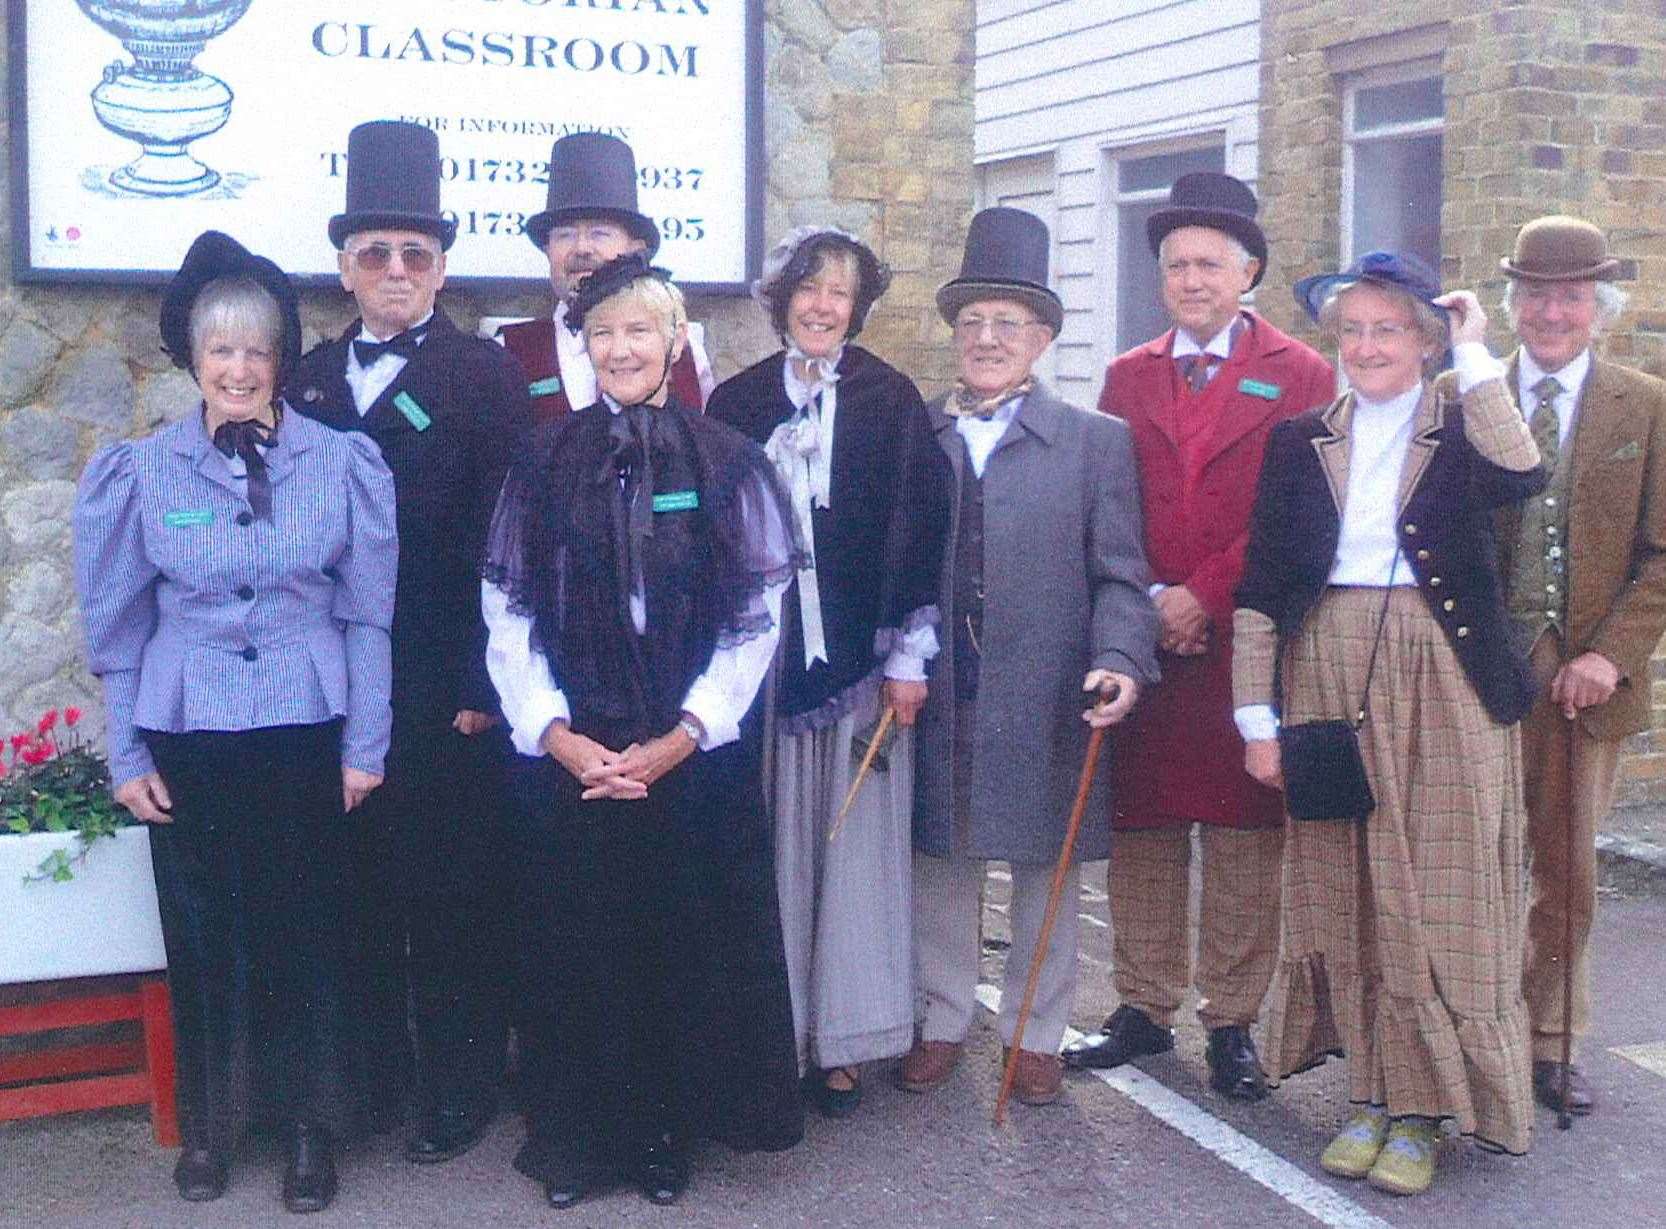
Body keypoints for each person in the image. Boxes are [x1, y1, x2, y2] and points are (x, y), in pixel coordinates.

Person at [73, 230, 397, 1213]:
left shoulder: (343, 464)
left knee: (308, 930)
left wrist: (365, 743)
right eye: (222, 351)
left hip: (305, 726)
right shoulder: (141, 471)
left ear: (279, 360)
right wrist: (126, 750)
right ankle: (214, 1122)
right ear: (194, 361)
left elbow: (366, 613)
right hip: (193, 730)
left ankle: (308, 1126)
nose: (241, 368)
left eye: (257, 350)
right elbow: (120, 624)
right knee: (209, 933)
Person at [482, 253, 804, 1209]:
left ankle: (664, 1133)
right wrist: (556, 735)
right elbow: (505, 610)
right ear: (584, 348)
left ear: (673, 343)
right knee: (576, 945)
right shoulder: (541, 462)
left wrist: (686, 734)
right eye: (603, 333)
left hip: (685, 755)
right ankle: (578, 1138)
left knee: (677, 941)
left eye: (639, 330)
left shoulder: (727, 459)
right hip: (577, 753)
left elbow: (759, 613)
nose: (621, 348)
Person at [1233, 251, 1542, 1195]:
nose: (1368, 346)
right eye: (1354, 329)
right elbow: (1261, 586)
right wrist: (1257, 717)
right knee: (1348, 886)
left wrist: (1480, 355)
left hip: (1443, 672)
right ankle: (1371, 1094)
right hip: (1324, 660)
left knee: (1443, 891)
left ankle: (1427, 1111)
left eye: (1390, 329)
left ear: (1426, 340)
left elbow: (1523, 469)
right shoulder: (1300, 440)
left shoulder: (1462, 425)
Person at [286, 120, 531, 1161]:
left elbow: (511, 533)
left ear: (443, 265)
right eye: (375, 252)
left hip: (442, 683)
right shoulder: (302, 380)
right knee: (357, 888)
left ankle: (458, 1086)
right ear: (345, 265)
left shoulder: (482, 374)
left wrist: (484, 674)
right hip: (330, 683)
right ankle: (376, 1080)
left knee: (449, 892)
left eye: (415, 254)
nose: (394, 270)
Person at [1067, 173, 1334, 1099]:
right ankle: (1142, 1006)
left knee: (1241, 836)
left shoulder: (1302, 372)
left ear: (1248, 270)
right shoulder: (1126, 375)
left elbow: (1303, 510)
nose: (1190, 278)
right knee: (1144, 830)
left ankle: (1231, 1021)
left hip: (1243, 637)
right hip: (1146, 641)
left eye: (1209, 262)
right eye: (1175, 262)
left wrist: (1203, 595)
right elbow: (1109, 502)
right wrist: (1147, 599)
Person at [898, 207, 1160, 1108]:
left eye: (1008, 323)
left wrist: (1121, 656)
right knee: (939, 858)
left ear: (1043, 337)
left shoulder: (1096, 442)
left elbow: (1123, 576)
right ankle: (938, 1020)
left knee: (1047, 865)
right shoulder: (917, 433)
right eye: (971, 322)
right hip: (938, 686)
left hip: (1048, 688)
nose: (987, 338)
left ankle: (1034, 1034)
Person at [708, 226, 951, 1117]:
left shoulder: (891, 402)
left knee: (849, 854)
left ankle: (842, 1042)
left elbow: (919, 530)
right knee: (770, 848)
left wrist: (906, 658)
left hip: (856, 667)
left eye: (840, 294)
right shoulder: (733, 403)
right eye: (808, 290)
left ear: (859, 308)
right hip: (762, 673)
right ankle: (776, 1031)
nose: (822, 307)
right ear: (782, 302)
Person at [1485, 216, 1666, 1115]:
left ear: (1599, 307)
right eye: (1537, 294)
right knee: (1473, 861)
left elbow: (1663, 553)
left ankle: (1551, 1040)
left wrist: (1607, 655)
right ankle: (1469, 1032)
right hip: (1477, 672)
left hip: (1583, 684)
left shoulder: (1647, 401)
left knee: (1566, 870)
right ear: (1511, 303)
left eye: (1571, 296)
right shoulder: (1461, 392)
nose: (1553, 311)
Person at [499, 132, 714, 421]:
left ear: (635, 250)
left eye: (600, 233)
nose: (582, 248)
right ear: (547, 251)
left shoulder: (685, 354)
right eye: (565, 235)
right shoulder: (508, 352)